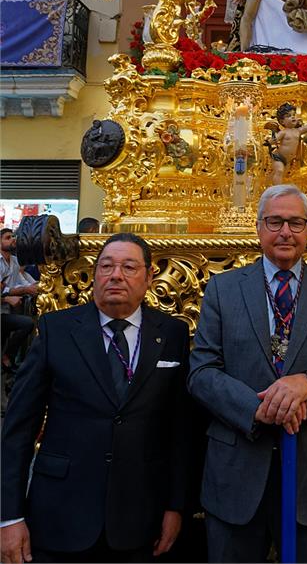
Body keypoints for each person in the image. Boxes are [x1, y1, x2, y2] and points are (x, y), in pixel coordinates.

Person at [188, 184, 307, 563]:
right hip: (236, 470)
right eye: (275, 222)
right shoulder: (224, 289)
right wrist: (256, 408)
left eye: (296, 223)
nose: (286, 232)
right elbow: (201, 372)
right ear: (258, 228)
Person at [0, 232, 190, 564]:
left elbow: (179, 430)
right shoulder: (56, 329)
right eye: (106, 266)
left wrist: (175, 505)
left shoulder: (171, 334)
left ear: (148, 278)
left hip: (140, 517)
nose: (116, 275)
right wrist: (9, 517)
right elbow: (18, 429)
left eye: (129, 267)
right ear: (95, 275)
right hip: (61, 514)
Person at [0, 229, 37, 372]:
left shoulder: (15, 261)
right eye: (8, 238)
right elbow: (6, 290)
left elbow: (15, 284)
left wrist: (32, 287)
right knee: (26, 323)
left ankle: (7, 359)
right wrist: (24, 291)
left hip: (6, 311)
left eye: (13, 237)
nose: (12, 240)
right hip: (2, 310)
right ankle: (7, 358)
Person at [265, 103, 307, 184]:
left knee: (281, 174)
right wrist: (270, 141)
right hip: (279, 157)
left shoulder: (298, 131)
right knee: (279, 171)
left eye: (294, 114)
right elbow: (275, 138)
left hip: (288, 160)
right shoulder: (284, 132)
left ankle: (266, 183)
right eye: (288, 116)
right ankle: (277, 190)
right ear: (282, 121)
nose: (293, 117)